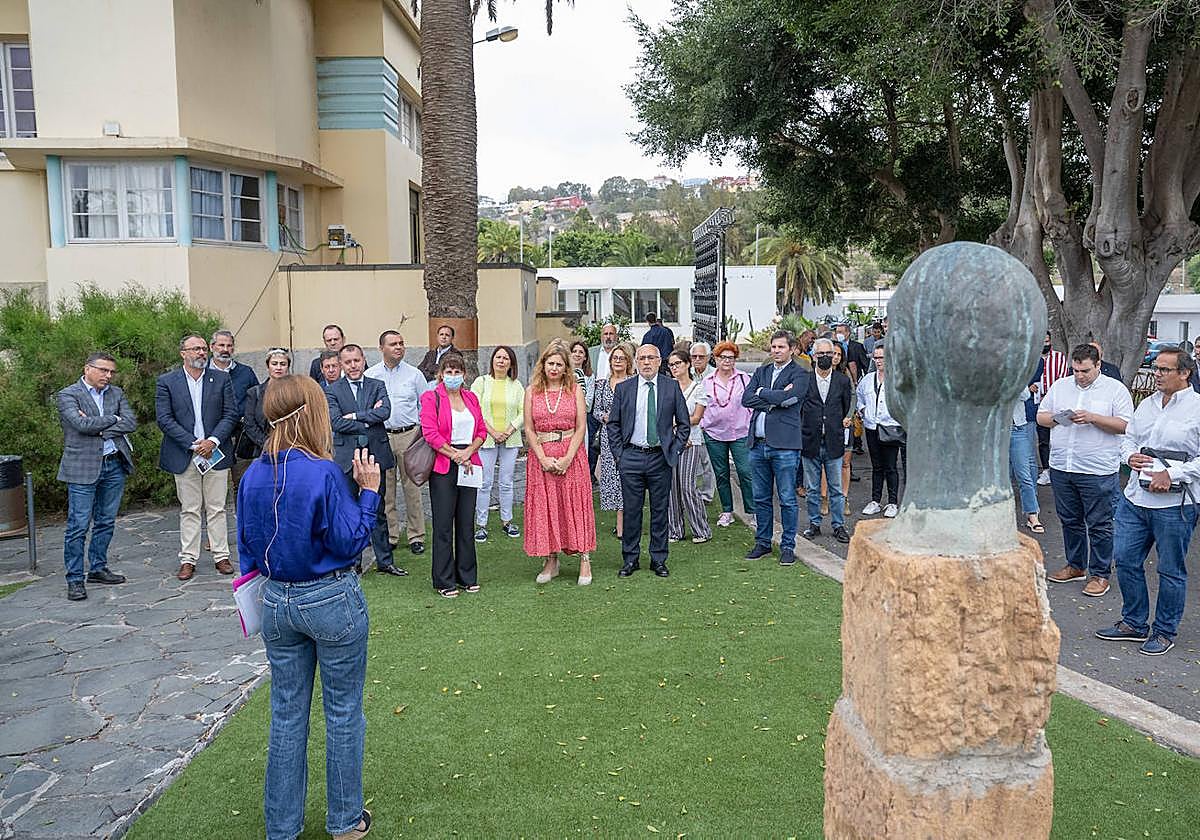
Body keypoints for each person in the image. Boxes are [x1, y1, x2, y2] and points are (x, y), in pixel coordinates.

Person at [236, 375, 377, 840]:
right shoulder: (323, 472)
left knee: (287, 714)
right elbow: (350, 541)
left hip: (276, 600)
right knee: (343, 711)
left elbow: (247, 548)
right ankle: (345, 822)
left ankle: (282, 828)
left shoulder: (252, 475)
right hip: (329, 597)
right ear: (310, 414)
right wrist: (369, 491)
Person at [1097, 348, 1200, 655]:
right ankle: (1134, 623)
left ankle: (1164, 631)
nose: (1157, 374)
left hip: (1175, 505)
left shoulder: (1197, 408)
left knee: (1170, 570)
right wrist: (1129, 455)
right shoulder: (1147, 404)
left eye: (1164, 370)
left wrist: (1173, 473)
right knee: (1125, 560)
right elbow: (1128, 438)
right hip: (1135, 499)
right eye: (1156, 368)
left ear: (1184, 373)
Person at [1037, 343, 1134, 597]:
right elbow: (1041, 417)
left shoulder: (1115, 389)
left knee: (1100, 524)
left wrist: (1093, 418)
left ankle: (1100, 574)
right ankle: (1076, 566)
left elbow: (1126, 425)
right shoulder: (1061, 386)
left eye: (1085, 371)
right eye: (1076, 370)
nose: (1079, 376)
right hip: (1062, 466)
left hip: (1097, 470)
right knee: (1070, 521)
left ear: (1098, 365)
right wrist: (1060, 417)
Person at [155, 334, 239, 580]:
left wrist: (212, 441)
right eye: (195, 349)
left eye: (203, 348)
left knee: (217, 508)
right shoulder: (167, 381)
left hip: (215, 453)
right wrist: (193, 444)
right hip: (185, 453)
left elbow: (231, 414)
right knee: (190, 509)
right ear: (183, 353)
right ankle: (188, 559)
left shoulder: (221, 379)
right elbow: (164, 419)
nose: (201, 353)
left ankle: (221, 556)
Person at [56, 352, 136, 601]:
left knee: (106, 521)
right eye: (103, 370)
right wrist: (113, 419)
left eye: (111, 372)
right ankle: (75, 579)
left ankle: (98, 568)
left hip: (113, 464)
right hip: (82, 467)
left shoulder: (116, 393)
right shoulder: (68, 395)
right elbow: (80, 425)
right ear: (87, 369)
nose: (108, 376)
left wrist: (98, 427)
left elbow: (131, 422)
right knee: (78, 525)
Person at [607, 344, 690, 577]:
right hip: (631, 457)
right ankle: (630, 559)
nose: (646, 362)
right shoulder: (624, 388)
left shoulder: (671, 387)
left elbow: (684, 424)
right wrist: (619, 455)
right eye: (642, 358)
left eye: (651, 358)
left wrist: (673, 450)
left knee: (660, 511)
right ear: (636, 361)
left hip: (660, 458)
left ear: (659, 361)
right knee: (632, 512)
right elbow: (613, 424)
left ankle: (658, 559)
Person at [326, 344, 404, 577]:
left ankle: (385, 561)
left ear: (363, 360)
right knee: (349, 510)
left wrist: (355, 416)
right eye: (347, 362)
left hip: (375, 455)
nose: (353, 366)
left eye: (356, 361)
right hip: (347, 458)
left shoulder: (376, 385)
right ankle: (353, 562)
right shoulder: (332, 390)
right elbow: (336, 422)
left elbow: (385, 412)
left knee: (379, 509)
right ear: (341, 364)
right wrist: (369, 419)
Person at [524, 341, 596, 585]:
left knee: (575, 504)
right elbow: (529, 428)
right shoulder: (531, 391)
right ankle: (551, 560)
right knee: (547, 506)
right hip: (541, 457)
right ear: (543, 365)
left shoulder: (574, 390)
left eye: (559, 364)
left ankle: (584, 559)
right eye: (550, 363)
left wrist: (567, 458)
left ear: (566, 368)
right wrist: (542, 457)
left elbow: (581, 427)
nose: (554, 368)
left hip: (571, 455)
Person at [419, 353, 486, 597]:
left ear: (464, 374)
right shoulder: (431, 397)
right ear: (441, 374)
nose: (453, 376)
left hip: (469, 463)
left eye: (457, 372)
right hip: (444, 466)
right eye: (449, 372)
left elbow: (481, 430)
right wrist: (454, 455)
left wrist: (468, 452)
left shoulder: (471, 398)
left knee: (466, 522)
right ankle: (444, 580)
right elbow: (430, 433)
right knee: (444, 525)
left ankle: (467, 576)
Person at [742, 330, 808, 565]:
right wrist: (773, 399)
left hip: (785, 446)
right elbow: (746, 399)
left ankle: (788, 546)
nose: (776, 351)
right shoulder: (762, 371)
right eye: (773, 347)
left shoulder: (800, 374)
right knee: (761, 498)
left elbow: (790, 400)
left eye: (781, 347)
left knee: (787, 499)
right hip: (758, 445)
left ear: (792, 349)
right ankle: (763, 543)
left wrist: (763, 394)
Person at [365, 330, 430, 556]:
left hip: (408, 435)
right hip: (381, 435)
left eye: (401, 343)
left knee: (412, 487)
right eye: (393, 344)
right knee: (386, 489)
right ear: (381, 348)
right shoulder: (371, 375)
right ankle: (391, 535)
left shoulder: (414, 375)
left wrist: (420, 432)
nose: (399, 347)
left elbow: (425, 405)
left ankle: (416, 535)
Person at [801, 338, 853, 544]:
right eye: (820, 353)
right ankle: (814, 523)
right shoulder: (805, 380)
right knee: (812, 489)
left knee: (836, 489)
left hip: (834, 441)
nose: (824, 357)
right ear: (814, 356)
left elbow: (846, 407)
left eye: (828, 354)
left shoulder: (842, 381)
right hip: (810, 441)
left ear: (834, 356)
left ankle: (838, 525)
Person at [471, 345, 525, 542]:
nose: (501, 361)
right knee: (484, 482)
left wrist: (508, 431)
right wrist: (492, 432)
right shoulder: (481, 382)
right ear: (492, 360)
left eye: (506, 358)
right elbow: (475, 408)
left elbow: (523, 411)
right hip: (486, 439)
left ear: (511, 363)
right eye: (498, 357)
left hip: (510, 440)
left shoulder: (516, 385)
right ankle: (481, 524)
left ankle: (507, 521)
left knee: (506, 482)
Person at [702, 341, 755, 528]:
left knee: (745, 472)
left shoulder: (744, 378)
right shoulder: (707, 381)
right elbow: (701, 404)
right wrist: (704, 424)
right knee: (721, 473)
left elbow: (752, 401)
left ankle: (752, 511)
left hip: (740, 431)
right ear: (715, 359)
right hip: (714, 433)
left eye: (731, 358)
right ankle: (727, 511)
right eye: (723, 357)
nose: (726, 361)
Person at [665, 350, 713, 544]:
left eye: (678, 363)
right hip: (669, 441)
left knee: (687, 485)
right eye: (671, 364)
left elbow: (696, 418)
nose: (674, 367)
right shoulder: (667, 387)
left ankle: (701, 529)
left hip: (691, 441)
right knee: (671, 487)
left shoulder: (698, 388)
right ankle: (675, 530)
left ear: (687, 364)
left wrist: (675, 422)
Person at [857, 344, 904, 518]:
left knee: (890, 466)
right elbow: (859, 396)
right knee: (876, 466)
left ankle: (892, 502)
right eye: (875, 357)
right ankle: (875, 501)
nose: (878, 361)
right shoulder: (868, 379)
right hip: (872, 427)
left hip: (890, 427)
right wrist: (862, 410)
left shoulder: (897, 379)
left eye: (881, 357)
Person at [593, 341, 635, 538]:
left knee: (628, 477)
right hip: (608, 437)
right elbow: (596, 410)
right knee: (613, 478)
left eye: (622, 358)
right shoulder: (602, 384)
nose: (618, 361)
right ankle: (621, 522)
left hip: (630, 436)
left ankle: (624, 525)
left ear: (628, 362)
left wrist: (622, 416)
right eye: (615, 358)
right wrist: (605, 416)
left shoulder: (634, 382)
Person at [240, 348, 292, 461]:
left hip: (290, 448)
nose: (278, 367)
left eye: (283, 364)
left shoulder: (295, 392)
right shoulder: (255, 392)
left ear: (288, 367)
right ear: (268, 366)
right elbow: (249, 423)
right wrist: (267, 443)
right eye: (274, 364)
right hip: (261, 449)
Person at [1034, 331, 1071, 484]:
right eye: (1043, 341)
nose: (1045, 344)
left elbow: (1061, 380)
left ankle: (1060, 469)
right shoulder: (1032, 358)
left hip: (1056, 404)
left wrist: (1049, 396)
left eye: (1047, 341)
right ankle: (1046, 470)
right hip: (1037, 403)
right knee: (1043, 439)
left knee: (1059, 436)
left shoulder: (1059, 357)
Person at [1010, 386, 1044, 534]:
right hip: (993, 430)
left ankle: (1032, 515)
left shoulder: (1015, 374)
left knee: (1024, 474)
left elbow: (1025, 395)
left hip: (1017, 428)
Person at [569, 340, 597, 478]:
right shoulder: (563, 374)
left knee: (582, 453)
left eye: (581, 352)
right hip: (565, 421)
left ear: (585, 357)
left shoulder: (589, 376)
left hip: (581, 420)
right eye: (574, 351)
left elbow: (588, 403)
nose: (577, 354)